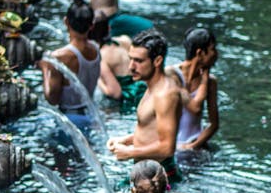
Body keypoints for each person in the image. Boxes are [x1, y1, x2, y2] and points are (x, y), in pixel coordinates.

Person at [106, 29, 183, 183]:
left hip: (158, 179)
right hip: (147, 173)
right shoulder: (152, 87)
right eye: (130, 59)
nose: (131, 67)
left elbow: (167, 147)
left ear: (157, 61)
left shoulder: (165, 94)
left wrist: (129, 152)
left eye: (139, 61)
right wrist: (126, 140)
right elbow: (154, 132)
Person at [37, 0, 100, 129]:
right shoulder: (96, 49)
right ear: (91, 25)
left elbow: (52, 98)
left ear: (66, 22)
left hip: (70, 119)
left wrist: (44, 67)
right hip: (91, 116)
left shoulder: (59, 57)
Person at [167, 26, 220, 150]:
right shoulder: (172, 75)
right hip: (171, 143)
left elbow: (214, 124)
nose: (216, 54)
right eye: (213, 49)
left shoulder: (211, 82)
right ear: (200, 53)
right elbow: (195, 108)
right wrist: (205, 79)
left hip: (195, 143)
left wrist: (192, 146)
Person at [90, 12, 147, 108]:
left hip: (130, 100)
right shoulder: (125, 40)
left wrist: (99, 80)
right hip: (145, 89)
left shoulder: (101, 57)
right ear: (109, 28)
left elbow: (115, 93)